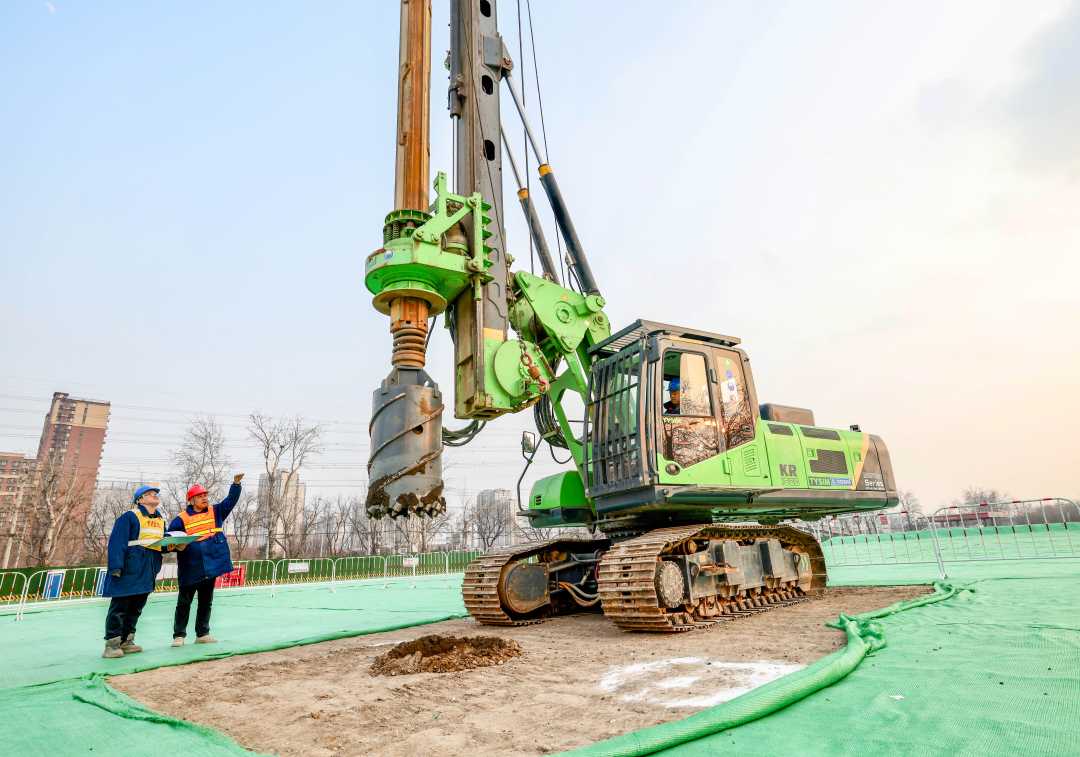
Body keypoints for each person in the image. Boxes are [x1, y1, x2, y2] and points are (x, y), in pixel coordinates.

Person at [101, 484, 175, 658]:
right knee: (120, 607)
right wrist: (116, 567)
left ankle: (127, 640)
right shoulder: (129, 517)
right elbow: (117, 542)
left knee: (136, 607)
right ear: (140, 500)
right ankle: (112, 644)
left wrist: (171, 545)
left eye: (156, 493)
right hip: (130, 567)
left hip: (149, 568)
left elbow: (160, 544)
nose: (155, 495)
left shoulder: (160, 520)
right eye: (150, 493)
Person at [169, 473, 243, 646]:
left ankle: (202, 633)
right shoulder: (181, 519)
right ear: (191, 500)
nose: (204, 498)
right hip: (190, 567)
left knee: (206, 601)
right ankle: (179, 636)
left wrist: (236, 484)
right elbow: (170, 539)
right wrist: (173, 546)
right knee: (184, 602)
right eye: (200, 496)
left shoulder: (215, 511)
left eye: (205, 495)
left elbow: (230, 501)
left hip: (210, 566)